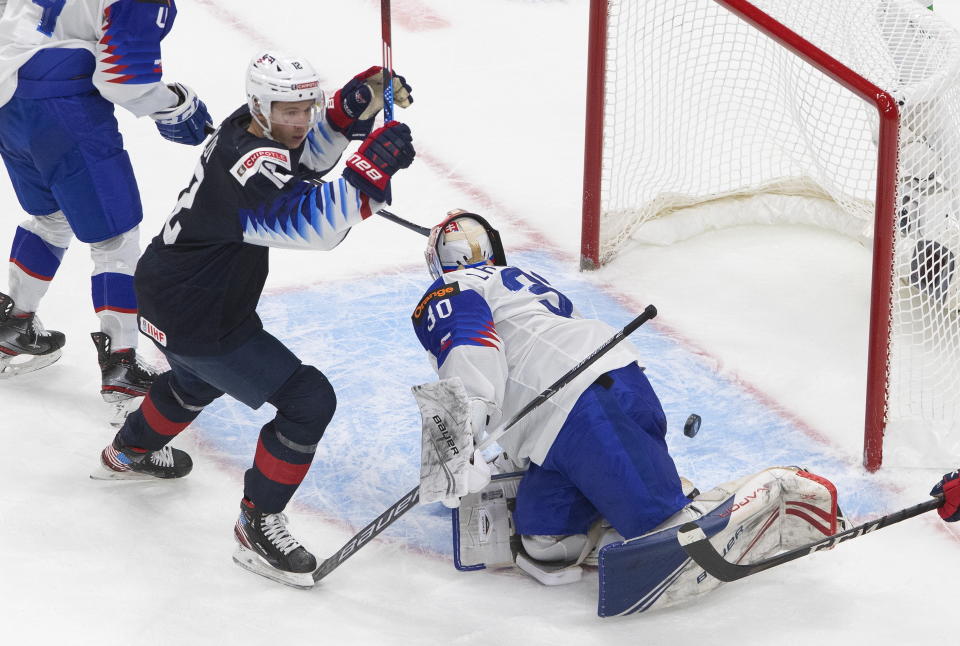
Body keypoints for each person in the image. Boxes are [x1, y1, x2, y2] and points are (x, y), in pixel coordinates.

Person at [91, 50, 416, 588]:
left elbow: (299, 166)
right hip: (200, 313)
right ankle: (257, 521)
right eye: (286, 110)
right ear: (259, 105)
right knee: (308, 401)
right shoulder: (250, 165)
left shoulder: (246, 130)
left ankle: (127, 451)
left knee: (195, 381)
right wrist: (367, 174)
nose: (298, 121)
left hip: (168, 289)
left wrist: (343, 116)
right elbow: (314, 227)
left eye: (305, 108)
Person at [410, 211, 846, 610]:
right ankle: (637, 496)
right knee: (545, 543)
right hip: (566, 421)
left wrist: (459, 434)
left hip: (586, 401)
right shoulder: (521, 280)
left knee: (661, 528)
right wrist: (498, 451)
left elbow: (470, 346)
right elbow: (520, 359)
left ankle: (764, 497)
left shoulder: (452, 289)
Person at [0, 0, 213, 425]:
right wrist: (174, 105)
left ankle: (12, 327)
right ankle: (121, 365)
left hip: (6, 98)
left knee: (52, 216)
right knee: (115, 238)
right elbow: (123, 81)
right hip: (61, 108)